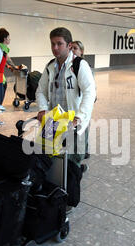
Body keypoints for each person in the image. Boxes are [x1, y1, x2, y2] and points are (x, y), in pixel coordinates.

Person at [36, 27, 96, 213]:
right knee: (49, 157)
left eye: (59, 44)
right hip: (53, 121)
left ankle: (69, 200)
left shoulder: (79, 65)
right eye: (53, 44)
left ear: (69, 45)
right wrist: (43, 109)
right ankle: (53, 193)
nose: (55, 48)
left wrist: (80, 117)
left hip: (73, 123)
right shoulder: (50, 66)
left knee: (72, 162)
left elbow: (89, 92)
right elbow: (40, 91)